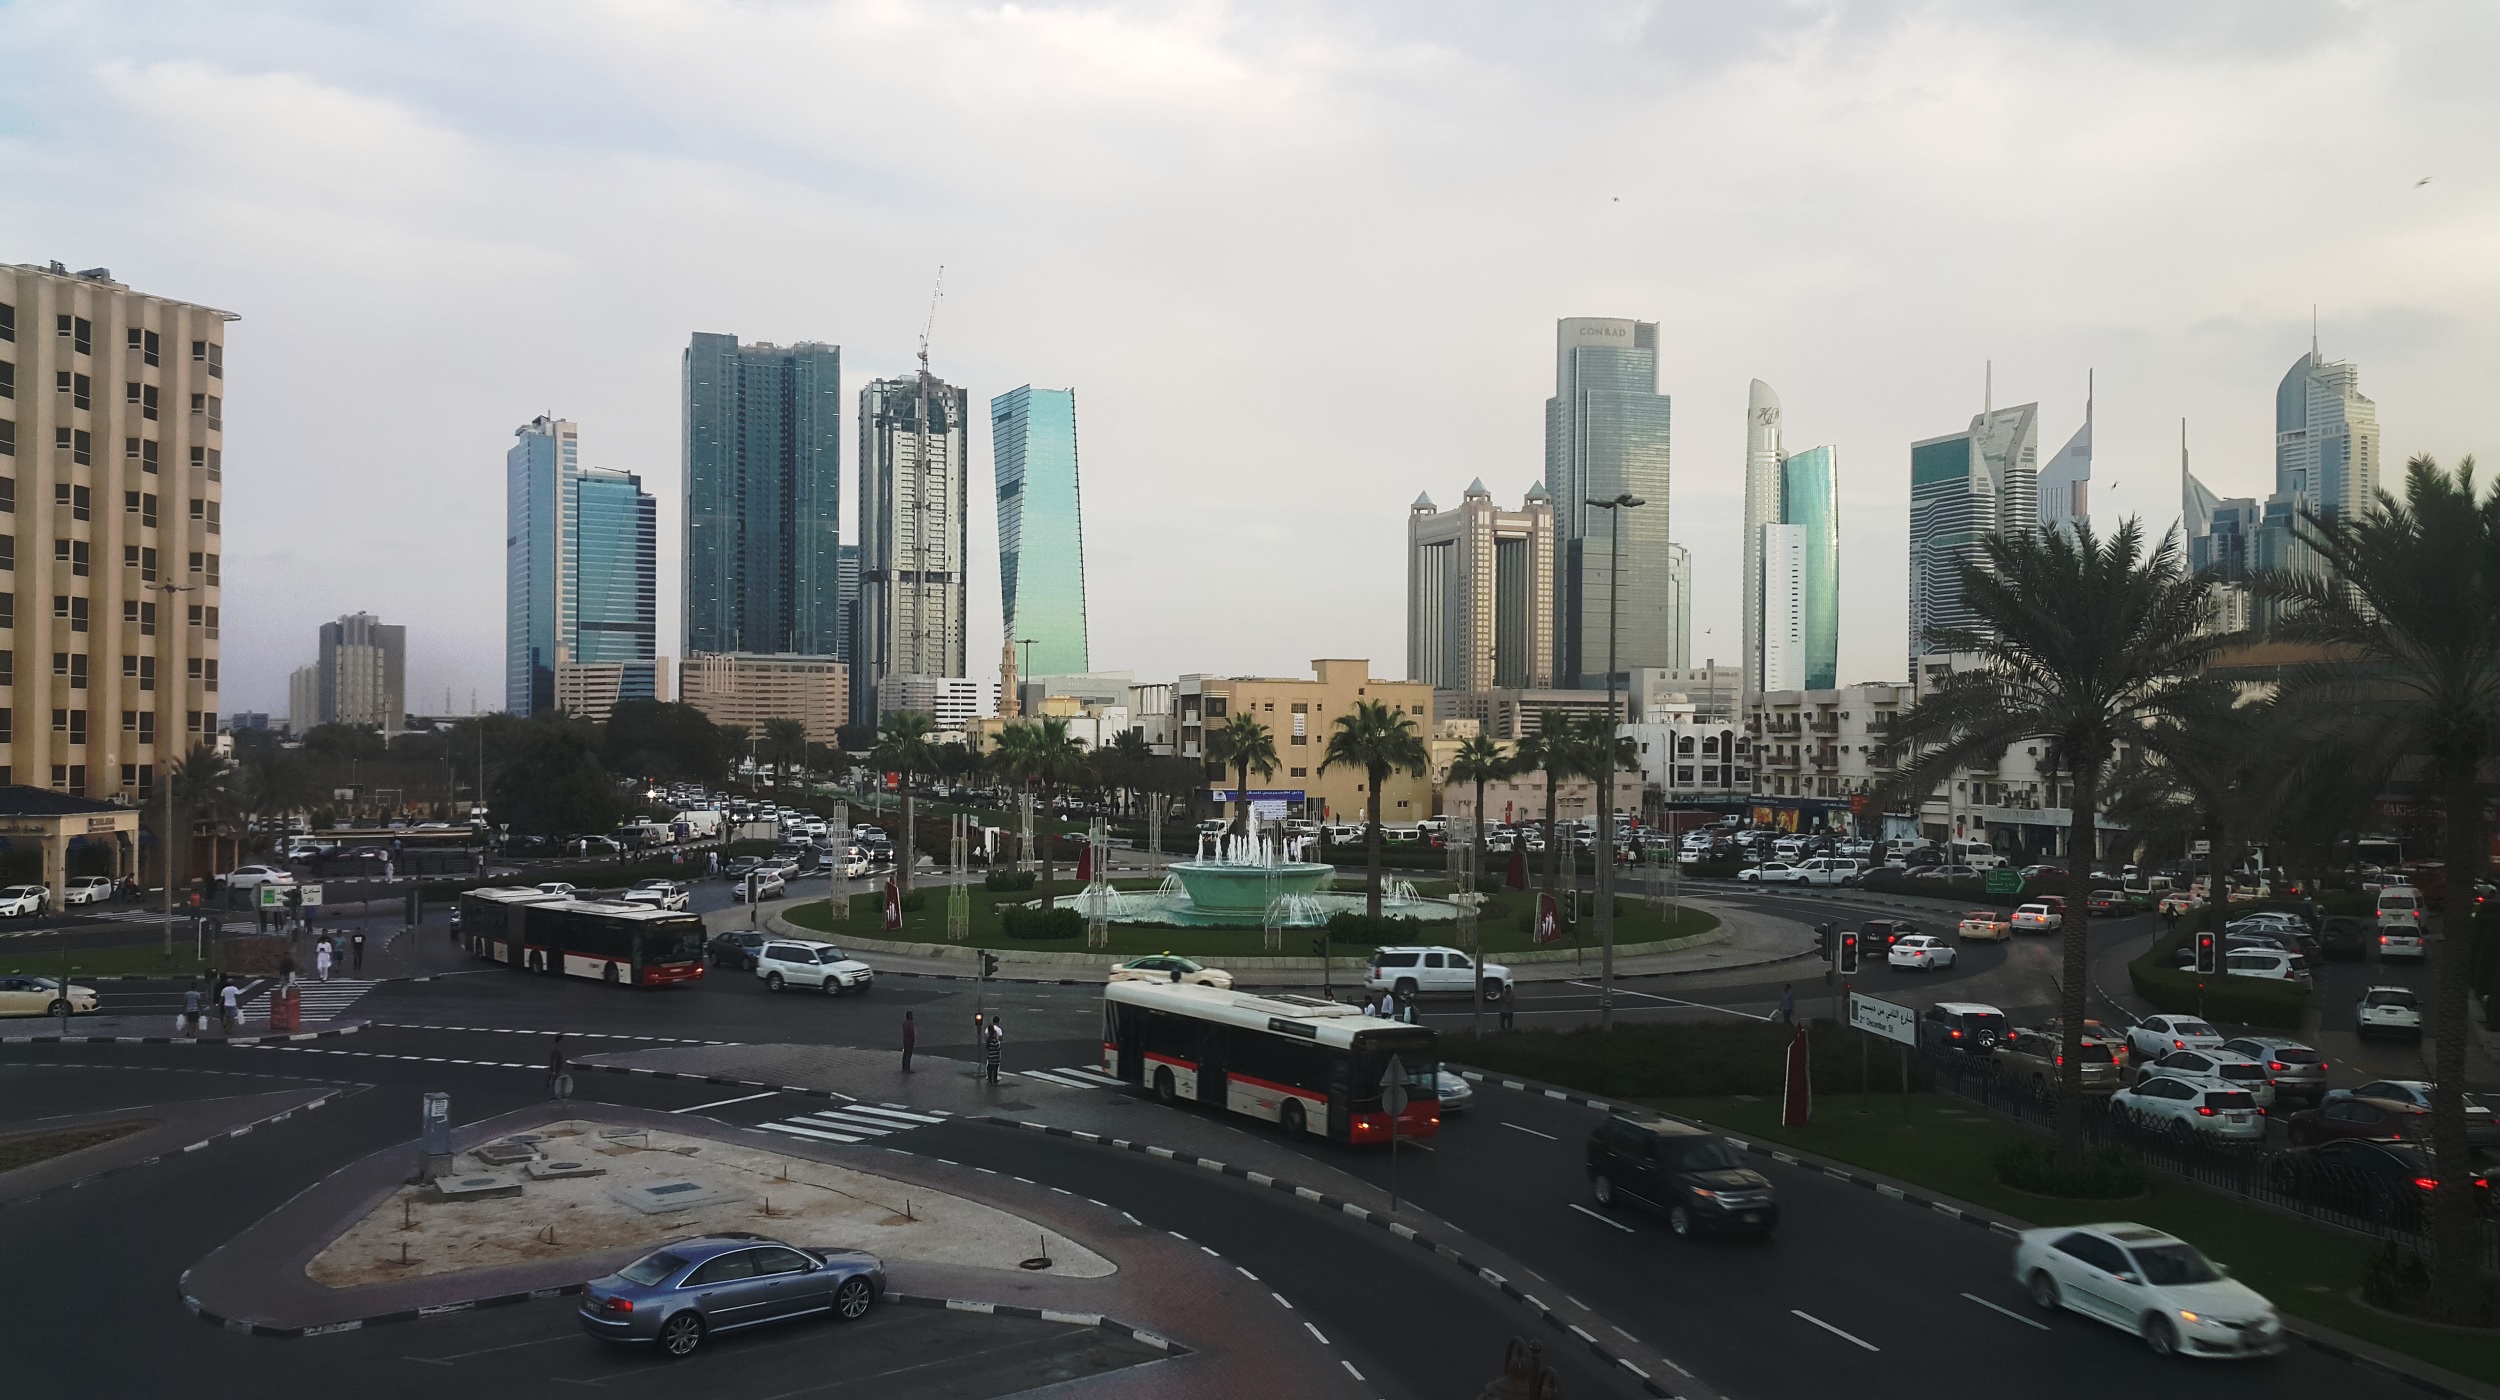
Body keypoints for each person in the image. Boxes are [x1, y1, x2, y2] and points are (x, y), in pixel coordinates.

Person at [984, 1015, 1004, 1084]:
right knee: (996, 1065)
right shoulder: (998, 1029)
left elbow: (986, 1036)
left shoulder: (987, 1029)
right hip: (996, 1050)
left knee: (989, 1063)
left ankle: (988, 1076)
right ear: (998, 1021)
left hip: (990, 1048)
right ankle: (995, 1077)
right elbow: (1001, 1038)